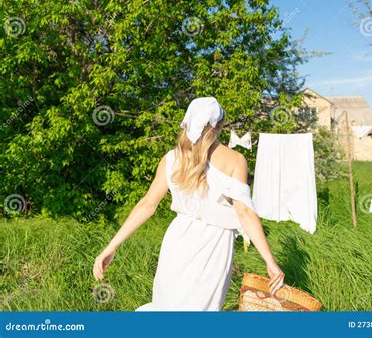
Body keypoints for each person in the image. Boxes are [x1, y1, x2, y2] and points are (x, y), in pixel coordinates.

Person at [93, 96, 285, 311]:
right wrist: (270, 261)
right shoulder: (234, 159)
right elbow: (245, 214)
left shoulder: (172, 158)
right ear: (220, 126)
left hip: (177, 241)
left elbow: (147, 204)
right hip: (214, 246)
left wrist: (111, 247)